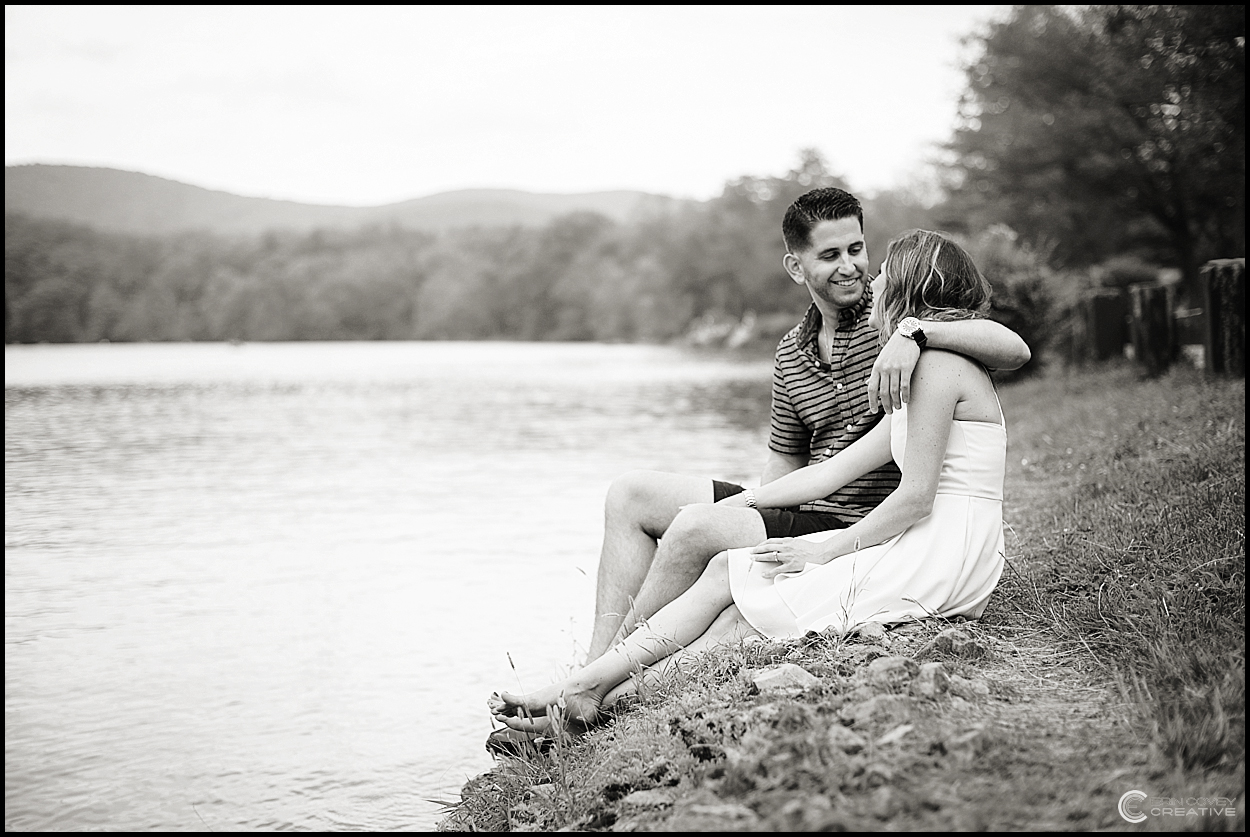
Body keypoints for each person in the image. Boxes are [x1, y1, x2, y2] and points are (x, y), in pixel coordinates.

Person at [490, 228, 1008, 733]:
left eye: (883, 274)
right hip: (920, 540)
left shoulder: (936, 366)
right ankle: (586, 688)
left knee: (743, 620)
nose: (870, 281)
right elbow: (829, 471)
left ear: (909, 290)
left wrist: (824, 552)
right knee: (725, 571)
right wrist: (748, 502)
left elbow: (916, 498)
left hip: (939, 554)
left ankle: (587, 704)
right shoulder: (892, 362)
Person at [581, 188, 1028, 664]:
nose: (851, 266)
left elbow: (1009, 347)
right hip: (806, 497)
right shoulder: (791, 351)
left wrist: (913, 332)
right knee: (630, 494)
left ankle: (597, 678)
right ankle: (593, 665)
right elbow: (785, 457)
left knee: (693, 528)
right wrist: (751, 514)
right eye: (831, 254)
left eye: (857, 250)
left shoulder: (893, 324)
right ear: (796, 267)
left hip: (863, 518)